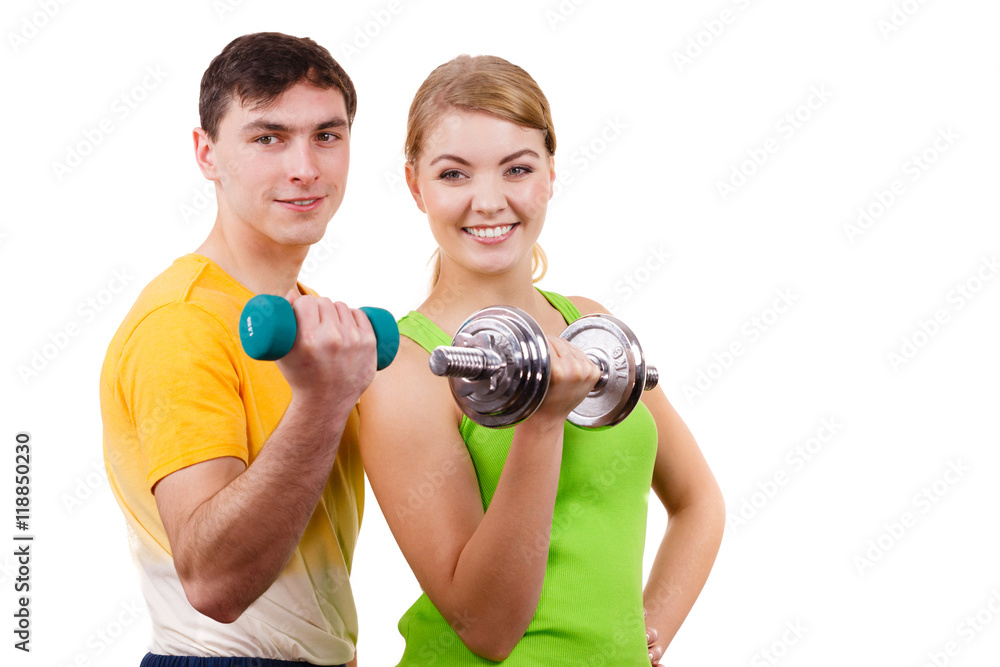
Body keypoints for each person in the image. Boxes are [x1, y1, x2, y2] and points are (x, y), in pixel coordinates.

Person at [359, 55, 726, 665]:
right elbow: (487, 628)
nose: (488, 201)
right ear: (414, 185)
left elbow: (698, 502)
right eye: (454, 174)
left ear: (551, 173)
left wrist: (641, 637)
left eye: (517, 169)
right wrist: (543, 420)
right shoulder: (403, 371)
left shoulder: (590, 322)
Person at [100, 32, 374, 667]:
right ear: (207, 153)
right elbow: (212, 582)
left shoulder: (314, 319)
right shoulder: (183, 321)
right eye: (268, 137)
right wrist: (326, 400)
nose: (304, 167)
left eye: (326, 136)